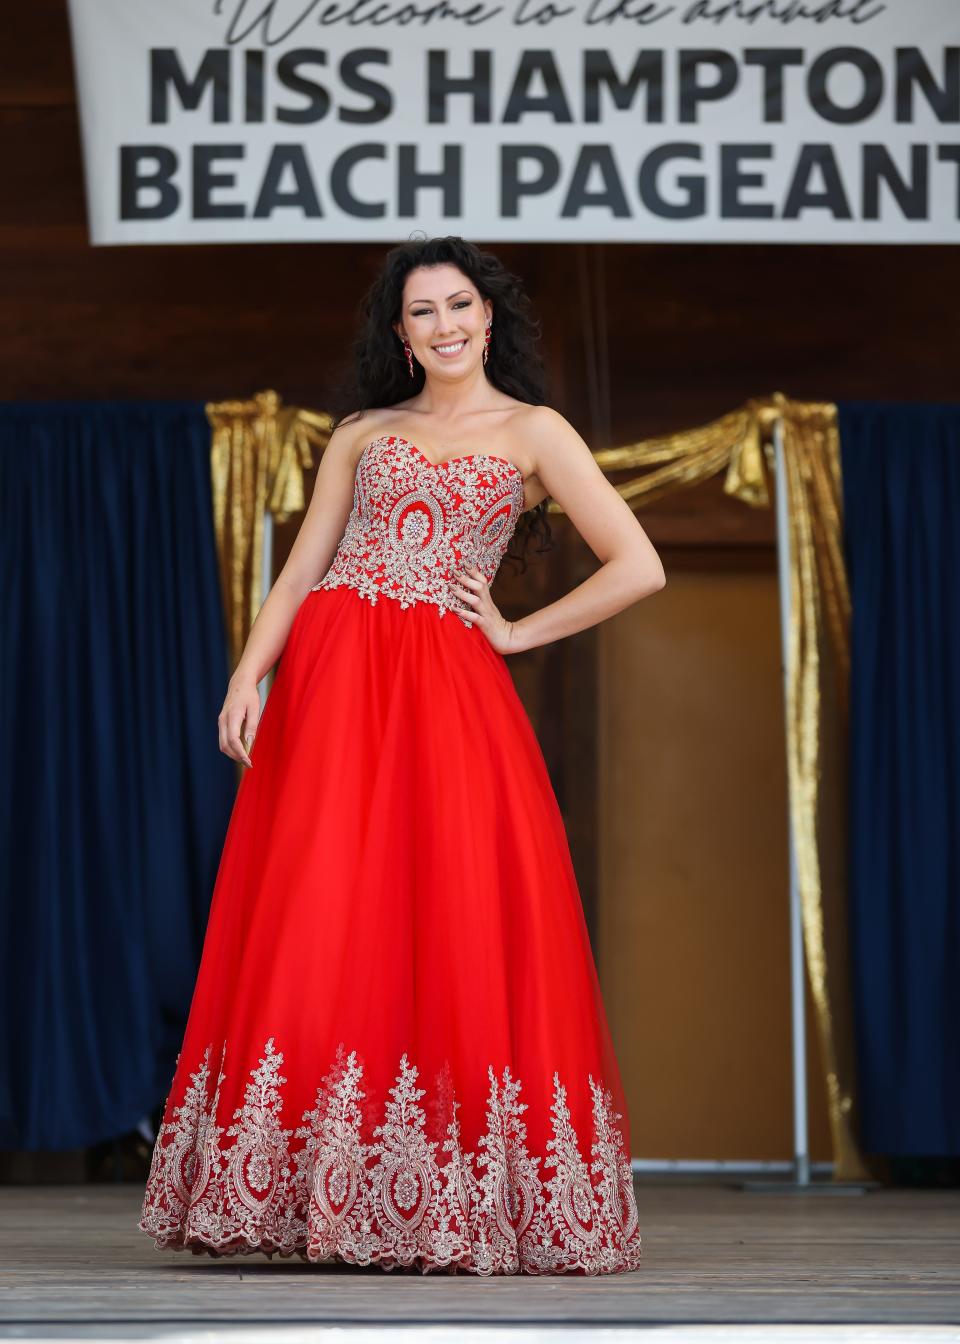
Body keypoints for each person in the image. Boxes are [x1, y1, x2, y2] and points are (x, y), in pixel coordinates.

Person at [139, 235, 665, 1276]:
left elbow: (639, 564)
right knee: (323, 904)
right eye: (422, 312)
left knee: (449, 905)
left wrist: (516, 632)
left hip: (446, 688)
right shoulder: (361, 432)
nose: (445, 325)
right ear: (400, 333)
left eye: (460, 304)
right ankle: (307, 1195)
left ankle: (444, 1198)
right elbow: (301, 571)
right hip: (333, 685)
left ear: (490, 315)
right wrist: (249, 676)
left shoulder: (533, 431)